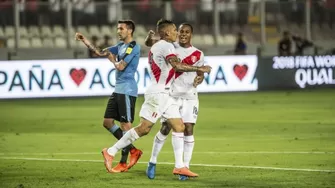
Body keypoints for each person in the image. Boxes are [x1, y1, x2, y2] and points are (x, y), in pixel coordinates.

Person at [100, 19, 212, 177]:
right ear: (167, 33)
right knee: (144, 128)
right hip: (158, 94)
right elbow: (177, 66)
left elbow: (153, 43)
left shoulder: (162, 45)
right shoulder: (165, 46)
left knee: (179, 127)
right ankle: (111, 151)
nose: (177, 33)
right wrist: (201, 68)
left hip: (166, 95)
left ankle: (179, 166)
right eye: (174, 30)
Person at [75, 20, 143, 173]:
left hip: (127, 90)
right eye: (117, 28)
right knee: (107, 122)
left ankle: (123, 162)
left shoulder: (133, 47)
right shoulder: (119, 46)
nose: (118, 31)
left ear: (130, 30)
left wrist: (113, 60)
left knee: (126, 126)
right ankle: (133, 150)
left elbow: (120, 66)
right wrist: (84, 40)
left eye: (121, 28)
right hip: (118, 90)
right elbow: (99, 52)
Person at [144, 23, 206, 180]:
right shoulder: (170, 47)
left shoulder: (199, 54)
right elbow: (150, 44)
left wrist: (200, 77)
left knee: (189, 129)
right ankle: (152, 161)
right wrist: (149, 37)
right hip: (171, 95)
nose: (183, 34)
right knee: (166, 128)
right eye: (181, 31)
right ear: (177, 33)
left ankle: (185, 166)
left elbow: (200, 72)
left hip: (190, 96)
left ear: (191, 34)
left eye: (187, 32)